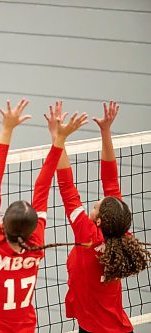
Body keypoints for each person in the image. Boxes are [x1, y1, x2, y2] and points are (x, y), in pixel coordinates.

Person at [0, 98, 87, 333]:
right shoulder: (35, 245)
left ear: (2, 224)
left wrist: (7, 129)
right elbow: (42, 188)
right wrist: (59, 140)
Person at [45, 100, 151, 333]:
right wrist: (106, 131)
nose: (90, 207)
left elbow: (66, 186)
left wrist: (58, 138)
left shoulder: (87, 234)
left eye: (94, 206)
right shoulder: (120, 233)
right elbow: (111, 181)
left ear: (99, 220)